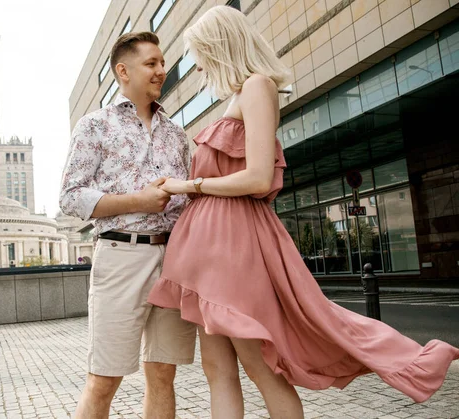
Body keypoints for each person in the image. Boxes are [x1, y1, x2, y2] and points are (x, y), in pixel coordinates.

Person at [147, 6, 459, 419]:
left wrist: (190, 185)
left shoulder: (258, 86)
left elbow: (258, 178)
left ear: (220, 45)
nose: (199, 64)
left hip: (231, 250)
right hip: (207, 254)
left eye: (200, 53)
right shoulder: (235, 97)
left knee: (261, 368)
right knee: (217, 370)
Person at [59, 31, 197, 419]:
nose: (161, 71)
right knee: (104, 379)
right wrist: (139, 200)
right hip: (120, 256)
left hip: (173, 260)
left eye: (162, 63)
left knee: (163, 375)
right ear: (123, 70)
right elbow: (71, 196)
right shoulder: (94, 126)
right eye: (151, 63)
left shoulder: (176, 134)